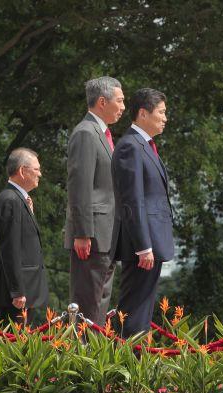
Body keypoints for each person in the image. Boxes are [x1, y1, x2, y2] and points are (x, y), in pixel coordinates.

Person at [111, 88, 175, 337]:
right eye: (161, 112)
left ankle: (138, 366)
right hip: (142, 246)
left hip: (151, 243)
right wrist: (143, 246)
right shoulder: (131, 147)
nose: (165, 118)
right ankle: (128, 367)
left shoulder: (145, 146)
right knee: (134, 310)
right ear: (142, 113)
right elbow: (132, 200)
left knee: (142, 310)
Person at [64, 76, 125, 326]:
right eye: (120, 101)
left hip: (106, 235)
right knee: (87, 306)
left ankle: (94, 360)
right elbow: (80, 187)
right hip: (91, 237)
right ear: (102, 101)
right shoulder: (86, 133)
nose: (123, 107)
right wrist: (82, 233)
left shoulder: (101, 133)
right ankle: (81, 361)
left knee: (100, 305)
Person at [0, 148, 49, 324]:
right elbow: (9, 248)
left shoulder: (18, 199)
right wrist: (17, 290)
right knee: (12, 346)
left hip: (24, 292)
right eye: (36, 170)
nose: (40, 174)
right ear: (22, 171)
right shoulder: (10, 200)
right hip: (16, 296)